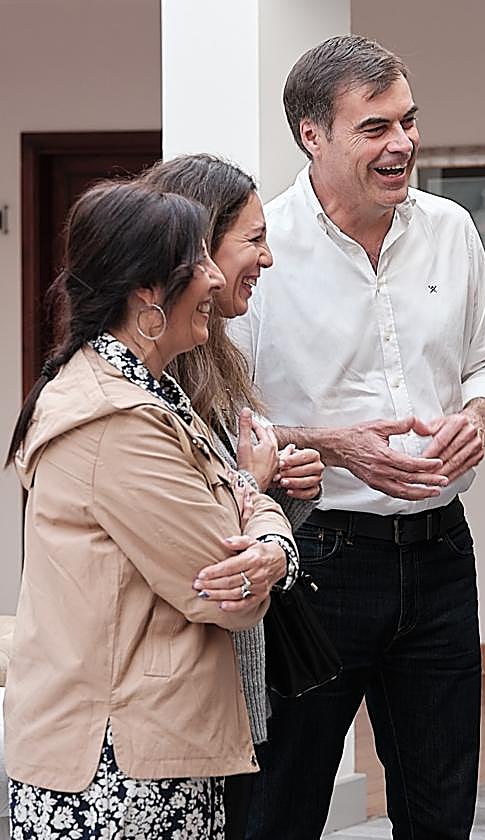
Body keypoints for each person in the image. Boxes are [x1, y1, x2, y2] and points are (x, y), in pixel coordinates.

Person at [229, 34, 485, 840]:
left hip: (440, 559)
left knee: (440, 813)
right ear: (312, 135)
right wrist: (332, 446)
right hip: (314, 560)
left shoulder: (453, 229)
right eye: (375, 128)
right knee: (279, 810)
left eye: (408, 121)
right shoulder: (261, 249)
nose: (403, 144)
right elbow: (227, 424)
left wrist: (481, 417)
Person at [4, 180, 296, 839]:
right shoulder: (119, 421)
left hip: (141, 746)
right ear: (146, 291)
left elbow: (244, 543)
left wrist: (267, 539)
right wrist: (261, 506)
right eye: (199, 262)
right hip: (119, 763)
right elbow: (226, 591)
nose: (217, 278)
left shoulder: (149, 394)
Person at [139, 153, 327, 840]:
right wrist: (257, 488)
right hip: (180, 699)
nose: (267, 259)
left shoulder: (215, 355)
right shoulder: (145, 386)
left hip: (233, 696)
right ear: (197, 250)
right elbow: (211, 545)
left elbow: (241, 509)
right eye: (253, 240)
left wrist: (283, 489)